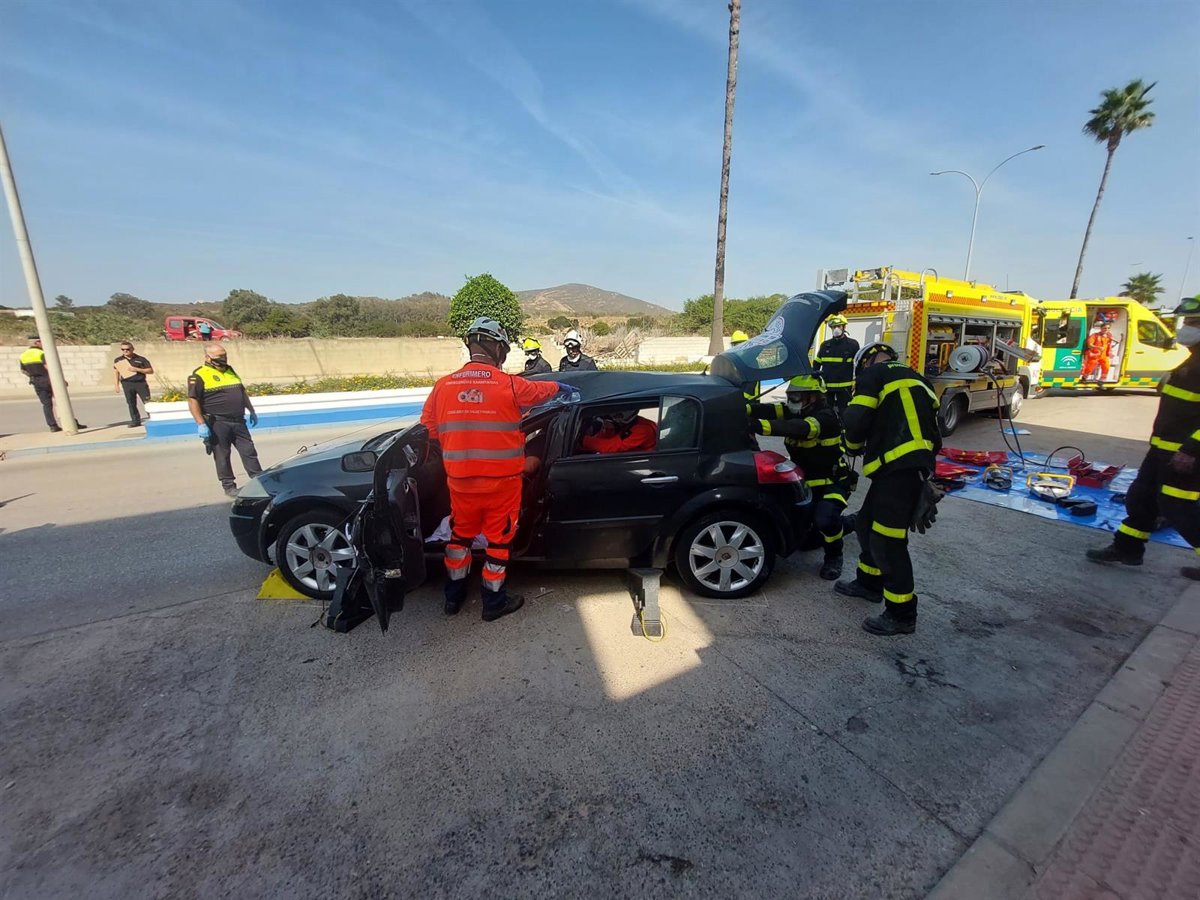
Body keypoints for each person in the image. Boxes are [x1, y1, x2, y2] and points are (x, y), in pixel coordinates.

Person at [421, 317, 575, 622]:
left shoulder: (442, 387)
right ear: (498, 348)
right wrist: (561, 386)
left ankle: (453, 598)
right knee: (498, 541)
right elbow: (540, 391)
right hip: (502, 485)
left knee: (460, 538)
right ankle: (493, 602)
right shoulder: (510, 385)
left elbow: (429, 430)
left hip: (461, 483)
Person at [1087, 296, 1200, 577]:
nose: (1186, 327)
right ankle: (1127, 549)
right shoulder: (1193, 359)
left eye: (1194, 322)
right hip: (1163, 447)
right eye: (1187, 321)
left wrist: (1192, 450)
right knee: (1141, 498)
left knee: (1176, 506)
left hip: (1184, 454)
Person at [835, 342, 941, 636]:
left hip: (898, 470)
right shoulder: (918, 378)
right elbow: (935, 431)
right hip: (904, 468)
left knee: (887, 541)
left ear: (865, 363)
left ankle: (902, 613)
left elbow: (856, 419)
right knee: (866, 523)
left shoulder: (873, 374)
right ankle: (869, 584)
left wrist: (850, 447)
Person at [749, 374, 852, 580]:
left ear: (813, 397)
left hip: (831, 482)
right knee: (803, 542)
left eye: (796, 397)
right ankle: (843, 524)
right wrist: (739, 407)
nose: (791, 401)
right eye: (790, 396)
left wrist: (756, 425)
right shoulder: (797, 410)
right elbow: (768, 409)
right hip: (804, 482)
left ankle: (834, 556)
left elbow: (800, 428)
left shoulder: (825, 417)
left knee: (825, 519)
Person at [187, 344, 263, 497]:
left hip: (238, 421)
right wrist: (201, 424)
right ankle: (229, 486)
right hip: (217, 422)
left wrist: (251, 410)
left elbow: (241, 391)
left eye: (225, 355)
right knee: (222, 455)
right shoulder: (199, 375)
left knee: (249, 451)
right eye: (219, 357)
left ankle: (258, 480)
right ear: (208, 358)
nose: (223, 359)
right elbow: (192, 400)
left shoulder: (230, 370)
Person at [18, 336, 85, 433]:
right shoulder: (42, 353)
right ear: (37, 343)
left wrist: (34, 376)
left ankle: (53, 426)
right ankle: (71, 423)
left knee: (46, 404)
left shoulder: (23, 355)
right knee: (61, 401)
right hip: (49, 380)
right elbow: (50, 368)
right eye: (41, 342)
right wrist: (61, 380)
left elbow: (23, 371)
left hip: (36, 382)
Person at [814, 314, 860, 410]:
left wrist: (857, 381)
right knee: (826, 411)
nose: (836, 329)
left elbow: (859, 365)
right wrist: (815, 377)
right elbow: (816, 364)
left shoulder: (853, 345)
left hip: (845, 388)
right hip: (827, 387)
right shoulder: (825, 345)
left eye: (839, 326)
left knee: (845, 412)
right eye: (834, 327)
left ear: (844, 327)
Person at [113, 341, 154, 427]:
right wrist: (116, 385)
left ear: (132, 349)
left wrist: (137, 369)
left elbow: (150, 370)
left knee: (147, 401)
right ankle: (135, 421)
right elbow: (116, 372)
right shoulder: (118, 360)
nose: (125, 351)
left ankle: (153, 418)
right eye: (123, 349)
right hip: (127, 383)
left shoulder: (141, 359)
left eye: (127, 349)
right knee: (131, 403)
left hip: (140, 383)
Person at [580, 409, 657, 453]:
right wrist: (607, 429)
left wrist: (583, 440)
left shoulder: (642, 430)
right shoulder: (628, 424)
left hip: (642, 463)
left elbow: (613, 447)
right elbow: (605, 441)